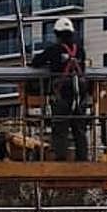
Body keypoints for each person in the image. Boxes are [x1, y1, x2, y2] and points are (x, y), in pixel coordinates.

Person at [28, 17, 89, 161]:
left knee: (60, 128)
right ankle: (83, 159)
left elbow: (36, 62)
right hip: (80, 94)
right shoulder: (80, 50)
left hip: (62, 94)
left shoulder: (54, 50)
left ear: (57, 33)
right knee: (79, 129)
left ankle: (61, 159)